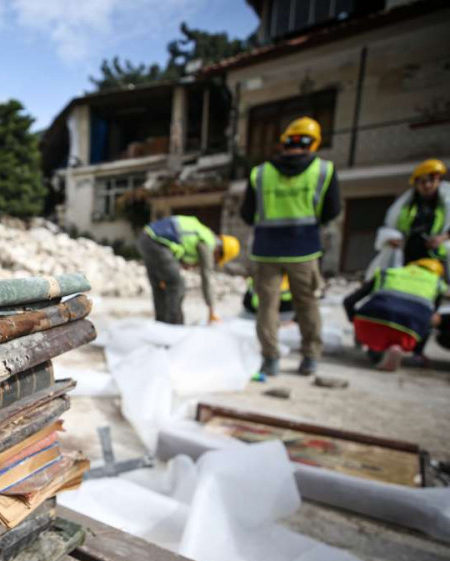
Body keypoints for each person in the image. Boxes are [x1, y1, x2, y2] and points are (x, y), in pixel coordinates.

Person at [240, 116, 341, 377]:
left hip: (266, 249)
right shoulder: (323, 171)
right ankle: (310, 358)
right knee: (307, 304)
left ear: (284, 143)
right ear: (313, 143)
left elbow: (247, 213)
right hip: (303, 248)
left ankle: (270, 359)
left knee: (267, 306)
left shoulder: (261, 173)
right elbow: (332, 210)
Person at [343, 258, 445, 371]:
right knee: (433, 319)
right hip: (407, 331)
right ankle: (416, 354)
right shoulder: (437, 283)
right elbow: (430, 316)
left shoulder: (388, 273)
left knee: (376, 333)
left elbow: (349, 301)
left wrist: (354, 320)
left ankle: (375, 350)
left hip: (370, 323)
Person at [137, 215, 240, 324]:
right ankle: (174, 325)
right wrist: (211, 310)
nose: (214, 261)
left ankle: (161, 324)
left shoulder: (201, 233)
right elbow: (206, 275)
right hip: (157, 243)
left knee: (158, 285)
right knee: (177, 285)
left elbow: (178, 246)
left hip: (145, 238)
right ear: (219, 252)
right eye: (217, 260)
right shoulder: (208, 242)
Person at [369, 159, 450, 276]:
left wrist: (442, 237)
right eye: (423, 181)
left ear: (439, 181)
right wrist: (392, 239)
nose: (427, 185)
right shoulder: (405, 205)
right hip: (408, 257)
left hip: (436, 260)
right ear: (416, 183)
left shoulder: (446, 203)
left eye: (432, 180)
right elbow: (391, 225)